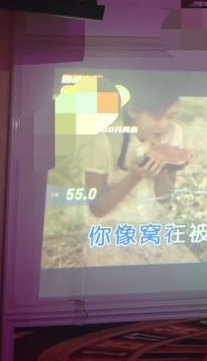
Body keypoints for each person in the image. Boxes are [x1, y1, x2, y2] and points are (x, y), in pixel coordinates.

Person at [79, 79, 195, 266]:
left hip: (151, 226)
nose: (163, 125)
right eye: (156, 116)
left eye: (170, 116)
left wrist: (161, 171)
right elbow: (98, 208)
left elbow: (164, 197)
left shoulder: (174, 132)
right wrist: (135, 175)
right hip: (111, 231)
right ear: (133, 110)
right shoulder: (103, 140)